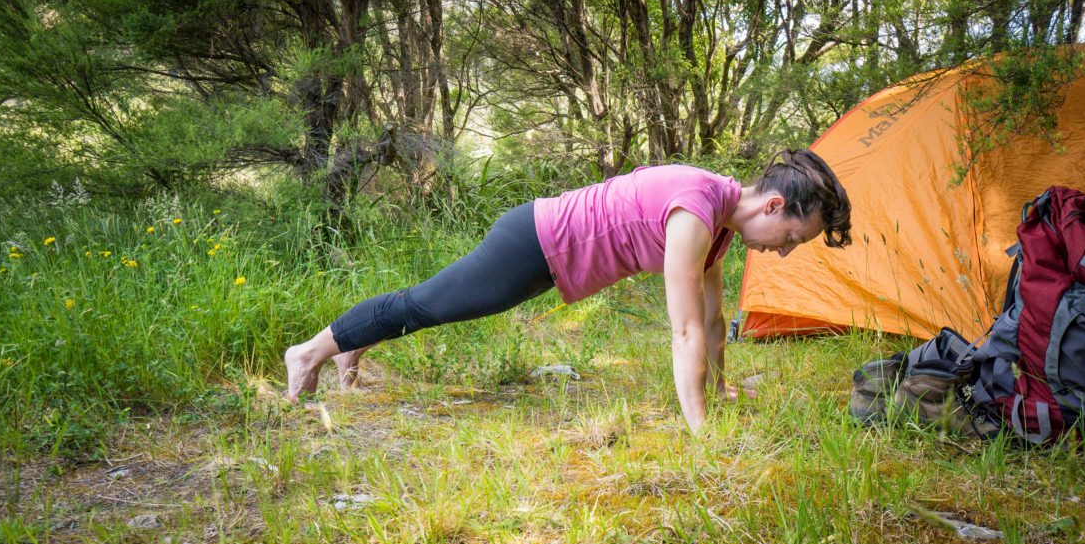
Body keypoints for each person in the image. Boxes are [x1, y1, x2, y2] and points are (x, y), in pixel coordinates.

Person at [285, 148, 851, 433]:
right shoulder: (697, 211)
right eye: (792, 238)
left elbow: (710, 321)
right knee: (428, 305)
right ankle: (310, 351)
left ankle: (353, 347)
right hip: (532, 241)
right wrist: (700, 426)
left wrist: (722, 390)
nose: (784, 251)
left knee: (430, 304)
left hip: (547, 253)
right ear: (774, 205)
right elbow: (682, 332)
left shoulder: (720, 223)